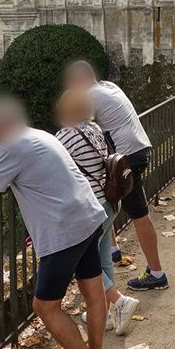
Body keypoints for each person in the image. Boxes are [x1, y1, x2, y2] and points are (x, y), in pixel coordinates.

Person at [0, 95, 107, 349]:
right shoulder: (37, 134)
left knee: (45, 306)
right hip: (88, 215)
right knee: (93, 291)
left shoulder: (10, 147)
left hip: (63, 230)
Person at [64, 61, 168, 291]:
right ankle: (112, 251)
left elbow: (77, 127)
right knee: (105, 193)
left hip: (126, 156)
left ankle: (157, 272)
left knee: (139, 213)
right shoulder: (108, 86)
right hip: (135, 149)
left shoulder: (91, 96)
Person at [54, 89, 141, 336]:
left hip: (88, 210)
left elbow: (45, 158)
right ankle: (104, 316)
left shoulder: (66, 136)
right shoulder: (95, 130)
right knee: (102, 261)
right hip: (108, 203)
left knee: (83, 265)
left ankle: (120, 302)